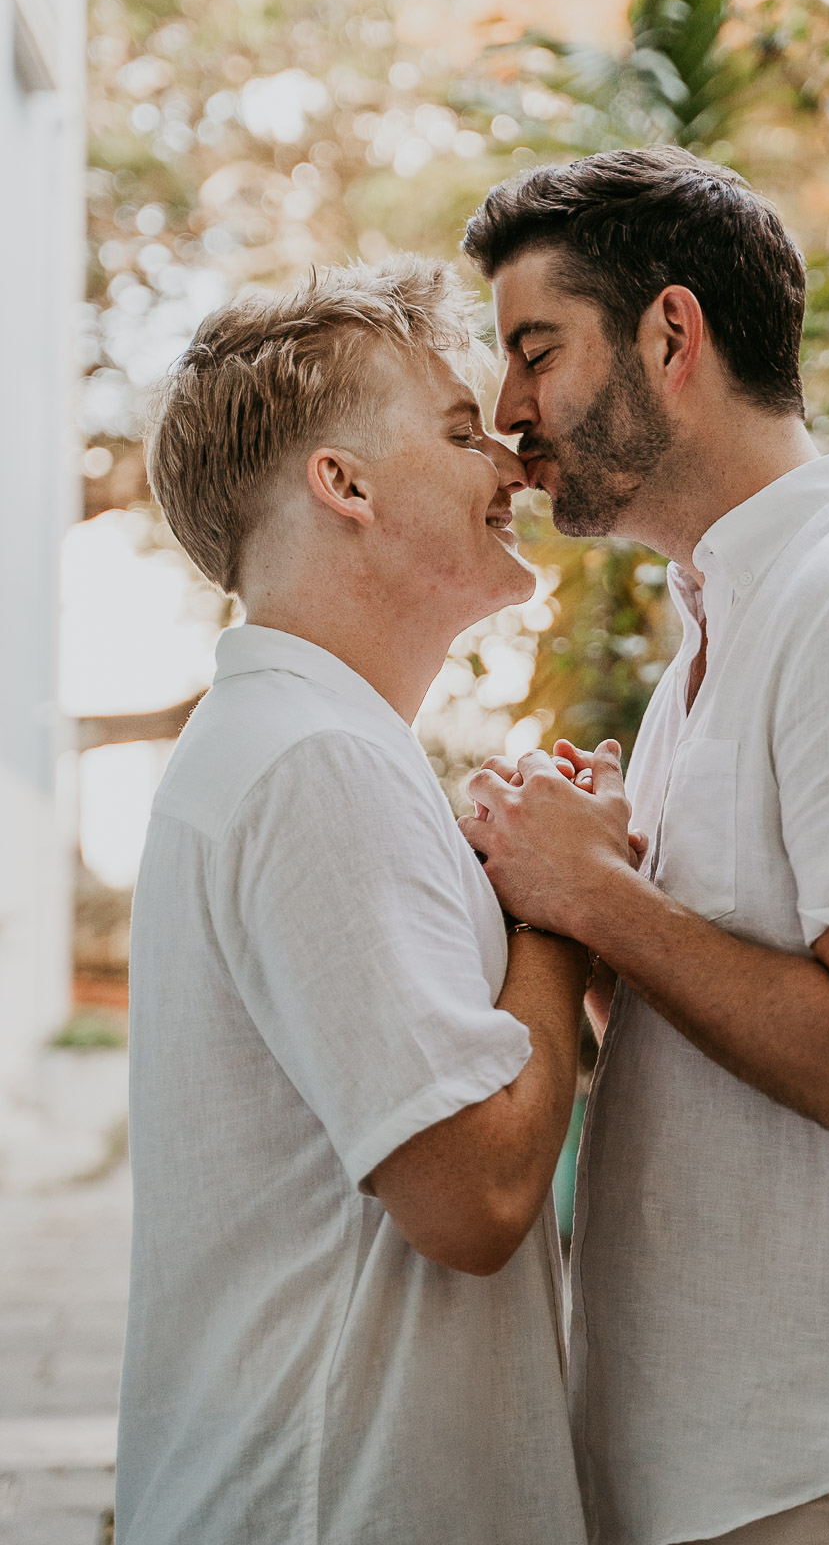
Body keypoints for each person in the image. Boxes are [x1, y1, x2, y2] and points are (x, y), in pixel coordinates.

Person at [458, 147, 829, 1545]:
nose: (508, 415)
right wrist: (573, 911)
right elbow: (738, 1026)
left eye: (534, 350)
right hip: (733, 1464)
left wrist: (599, 900)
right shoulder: (723, 635)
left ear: (672, 333)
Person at [115, 258, 590, 1545]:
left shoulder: (299, 744)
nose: (505, 459)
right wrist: (555, 913)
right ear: (345, 485)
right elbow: (474, 1200)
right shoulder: (312, 761)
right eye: (455, 430)